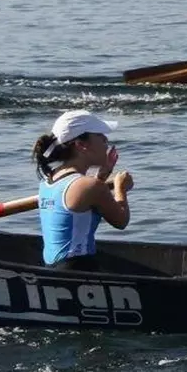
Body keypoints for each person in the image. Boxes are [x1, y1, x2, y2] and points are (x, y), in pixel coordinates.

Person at [32, 109, 133, 271]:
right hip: (80, 269)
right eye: (99, 135)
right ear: (81, 145)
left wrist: (102, 176)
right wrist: (121, 188)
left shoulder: (48, 180)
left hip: (52, 269)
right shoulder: (90, 186)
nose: (106, 140)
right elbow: (121, 221)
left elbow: (82, 200)